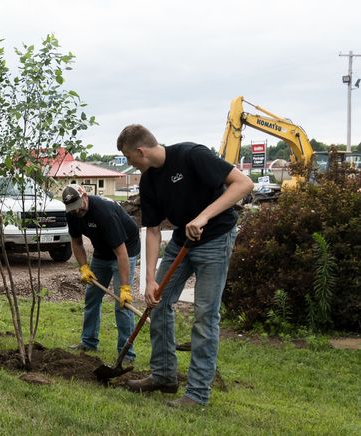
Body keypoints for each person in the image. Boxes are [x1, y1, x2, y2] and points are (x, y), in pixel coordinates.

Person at [116, 124, 253, 408]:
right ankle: (164, 375)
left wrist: (203, 217)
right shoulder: (148, 181)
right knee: (158, 301)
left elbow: (243, 184)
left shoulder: (191, 155)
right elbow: (152, 231)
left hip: (215, 238)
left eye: (130, 158)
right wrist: (151, 280)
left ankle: (197, 394)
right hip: (181, 241)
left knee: (205, 315)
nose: (130, 163)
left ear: (141, 151)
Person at [62, 184, 140, 364]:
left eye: (78, 207)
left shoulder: (104, 213)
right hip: (102, 252)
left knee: (123, 304)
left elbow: (121, 254)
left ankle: (126, 354)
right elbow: (77, 242)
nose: (76, 212)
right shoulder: (72, 213)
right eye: (72, 209)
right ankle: (88, 342)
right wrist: (83, 267)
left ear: (85, 197)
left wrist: (125, 288)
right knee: (92, 296)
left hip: (125, 249)